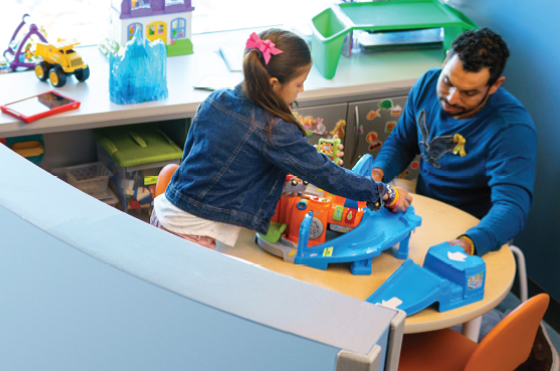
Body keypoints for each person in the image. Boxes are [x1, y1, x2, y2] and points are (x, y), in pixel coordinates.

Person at [151, 28, 411, 249]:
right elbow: (328, 174)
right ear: (274, 83)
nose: (302, 90)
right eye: (299, 84)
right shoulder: (273, 129)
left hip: (164, 214)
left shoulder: (217, 98)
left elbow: (194, 159)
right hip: (192, 234)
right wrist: (383, 192)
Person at [371, 28, 537, 256]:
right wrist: (376, 174)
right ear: (446, 58)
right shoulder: (427, 84)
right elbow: (402, 142)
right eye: (447, 82)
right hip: (425, 212)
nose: (451, 98)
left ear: (495, 85)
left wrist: (469, 242)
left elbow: (512, 206)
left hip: (474, 229)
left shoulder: (512, 128)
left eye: (468, 93)